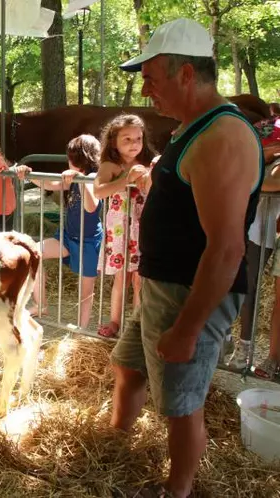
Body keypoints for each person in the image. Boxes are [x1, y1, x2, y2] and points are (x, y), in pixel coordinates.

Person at [111, 18, 264, 498]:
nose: (144, 88)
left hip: (188, 291)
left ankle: (177, 491)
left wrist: (189, 328)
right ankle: (114, 447)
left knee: (181, 403)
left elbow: (227, 248)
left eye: (151, 77)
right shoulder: (192, 128)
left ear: (184, 74)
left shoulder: (223, 135)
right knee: (129, 365)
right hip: (164, 285)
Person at [28, 135, 103, 328]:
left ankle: (82, 329)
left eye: (71, 157)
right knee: (33, 254)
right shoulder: (72, 176)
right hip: (68, 237)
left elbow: (91, 206)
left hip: (88, 241)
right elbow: (52, 184)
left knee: (87, 290)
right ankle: (40, 304)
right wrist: (28, 174)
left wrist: (80, 180)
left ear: (80, 158)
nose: (68, 161)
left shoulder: (95, 177)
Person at [94, 114, 156, 339]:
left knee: (140, 277)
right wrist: (126, 179)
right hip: (120, 229)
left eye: (138, 139)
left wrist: (149, 176)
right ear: (114, 141)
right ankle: (115, 321)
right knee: (122, 277)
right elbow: (99, 191)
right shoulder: (111, 165)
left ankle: (137, 323)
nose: (134, 144)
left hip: (143, 227)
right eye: (127, 139)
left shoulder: (150, 163)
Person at [226, 156, 280, 375]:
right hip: (238, 224)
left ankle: (244, 348)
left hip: (259, 232)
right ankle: (225, 337)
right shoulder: (267, 151)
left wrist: (246, 178)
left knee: (249, 288)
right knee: (226, 283)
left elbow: (268, 182)